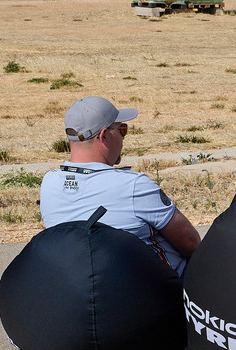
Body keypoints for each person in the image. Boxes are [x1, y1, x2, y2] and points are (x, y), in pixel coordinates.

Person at [39, 96, 200, 275]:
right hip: (149, 286)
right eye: (122, 130)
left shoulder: (49, 182)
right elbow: (190, 244)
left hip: (80, 281)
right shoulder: (134, 185)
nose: (123, 138)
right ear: (104, 136)